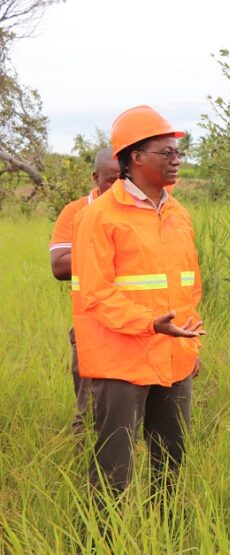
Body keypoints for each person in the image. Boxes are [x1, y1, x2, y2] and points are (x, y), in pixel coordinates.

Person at [72, 105, 204, 494]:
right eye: (167, 153)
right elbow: (96, 294)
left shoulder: (178, 214)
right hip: (121, 364)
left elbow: (189, 288)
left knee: (171, 470)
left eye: (178, 152)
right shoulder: (99, 217)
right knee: (113, 474)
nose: (176, 160)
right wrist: (149, 324)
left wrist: (190, 345)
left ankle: (166, 547)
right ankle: (101, 553)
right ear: (135, 157)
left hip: (174, 357)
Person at [49, 148, 120, 434]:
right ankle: (85, 473)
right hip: (91, 326)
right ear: (96, 177)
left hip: (137, 324)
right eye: (111, 180)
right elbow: (59, 265)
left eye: (125, 179)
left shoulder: (136, 211)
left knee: (126, 410)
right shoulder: (76, 211)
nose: (118, 187)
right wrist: (109, 252)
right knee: (89, 410)